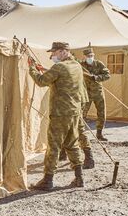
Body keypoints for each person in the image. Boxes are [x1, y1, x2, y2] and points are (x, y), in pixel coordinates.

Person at [28, 42, 88, 190]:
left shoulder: (60, 67)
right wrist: (45, 70)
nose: (52, 56)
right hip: (74, 112)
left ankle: (48, 180)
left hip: (60, 113)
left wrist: (32, 68)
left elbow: (41, 81)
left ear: (62, 52)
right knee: (72, 144)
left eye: (54, 53)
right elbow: (62, 78)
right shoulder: (76, 66)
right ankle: (79, 177)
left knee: (54, 146)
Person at [79, 47, 110, 141]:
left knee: (101, 113)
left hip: (98, 92)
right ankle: (80, 134)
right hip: (86, 93)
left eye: (92, 56)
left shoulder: (99, 64)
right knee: (81, 113)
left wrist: (96, 77)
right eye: (88, 56)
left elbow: (107, 75)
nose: (90, 57)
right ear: (84, 56)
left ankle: (99, 134)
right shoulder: (81, 65)